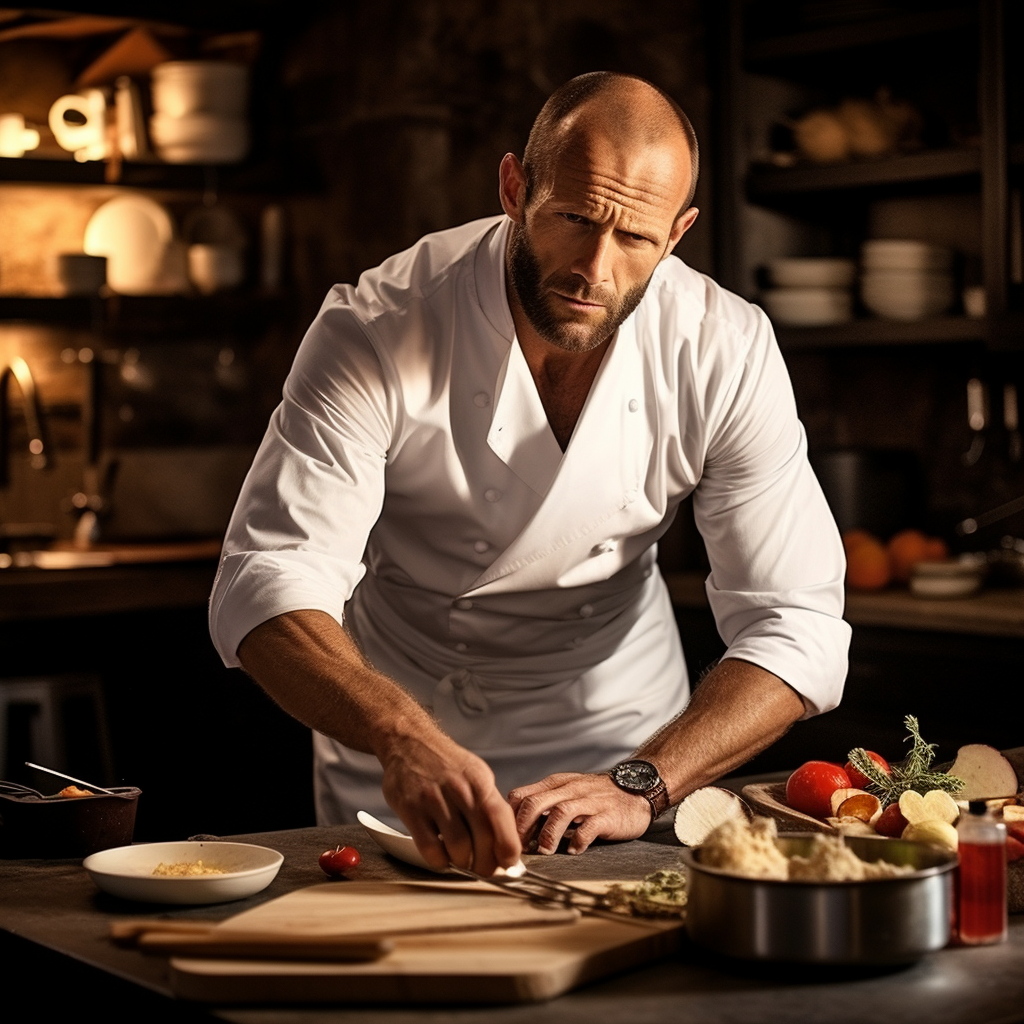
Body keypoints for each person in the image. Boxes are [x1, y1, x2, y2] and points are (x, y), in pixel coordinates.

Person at [209, 71, 850, 877]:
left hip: (625, 744)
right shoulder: (377, 327)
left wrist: (643, 783)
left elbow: (796, 622)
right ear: (515, 187)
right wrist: (401, 738)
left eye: (636, 240)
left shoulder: (723, 347)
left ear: (679, 233)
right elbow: (269, 578)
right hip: (400, 734)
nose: (594, 269)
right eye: (574, 219)